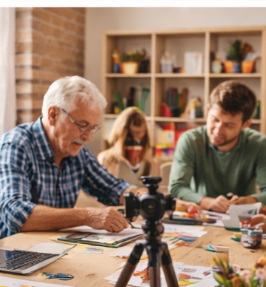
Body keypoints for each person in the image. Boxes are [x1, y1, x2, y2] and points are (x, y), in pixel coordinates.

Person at [0, 76, 140, 238]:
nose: (88, 137)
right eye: (82, 125)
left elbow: (113, 188)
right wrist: (88, 216)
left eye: (93, 128)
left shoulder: (75, 150)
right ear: (53, 115)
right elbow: (15, 214)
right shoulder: (15, 144)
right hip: (10, 254)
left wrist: (144, 197)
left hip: (54, 249)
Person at [169, 81, 266, 211]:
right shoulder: (190, 140)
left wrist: (249, 200)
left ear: (246, 124)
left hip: (243, 219)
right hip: (200, 216)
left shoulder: (259, 144)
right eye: (215, 119)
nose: (217, 130)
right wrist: (207, 202)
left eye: (229, 125)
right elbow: (177, 187)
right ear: (208, 110)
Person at [97, 107, 159, 186]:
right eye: (130, 138)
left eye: (139, 138)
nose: (135, 142)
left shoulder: (152, 164)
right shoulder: (106, 160)